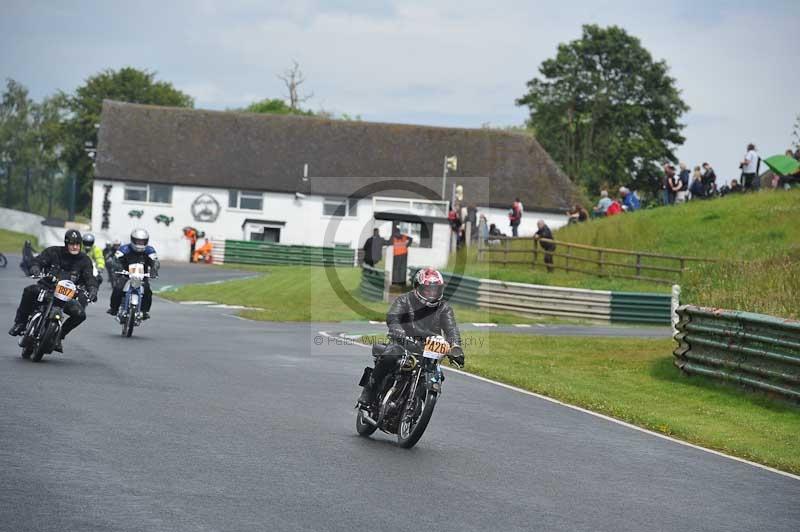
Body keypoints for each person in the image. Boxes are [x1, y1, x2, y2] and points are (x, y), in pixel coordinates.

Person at [357, 267, 464, 406]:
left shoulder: (444, 308)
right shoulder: (405, 300)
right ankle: (369, 392)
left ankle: (415, 404)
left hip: (427, 348)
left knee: (436, 375)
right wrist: (397, 329)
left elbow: (451, 329)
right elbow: (393, 317)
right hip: (402, 342)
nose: (432, 293)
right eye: (428, 290)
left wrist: (456, 347)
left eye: (435, 290)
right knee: (390, 357)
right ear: (418, 287)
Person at [8, 229, 98, 352]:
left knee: (80, 314)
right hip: (47, 288)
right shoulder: (53, 252)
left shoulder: (85, 260)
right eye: (72, 244)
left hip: (67, 296)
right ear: (66, 243)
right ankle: (20, 323)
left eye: (77, 244)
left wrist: (93, 289)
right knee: (29, 291)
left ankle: (59, 336)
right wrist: (35, 268)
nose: (75, 247)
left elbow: (90, 277)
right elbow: (38, 261)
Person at [107, 228, 160, 320]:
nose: (140, 244)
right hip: (126, 275)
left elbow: (155, 262)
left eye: (142, 241)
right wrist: (118, 268)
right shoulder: (124, 249)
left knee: (147, 291)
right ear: (133, 240)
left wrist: (154, 270)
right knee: (118, 289)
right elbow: (115, 260)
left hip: (142, 277)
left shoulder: (150, 250)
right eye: (138, 241)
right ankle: (114, 308)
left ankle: (145, 311)